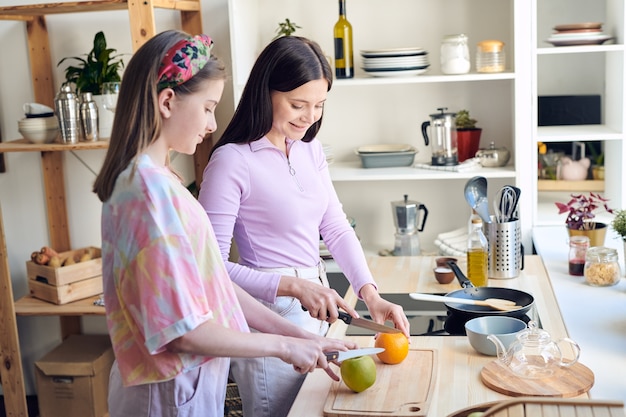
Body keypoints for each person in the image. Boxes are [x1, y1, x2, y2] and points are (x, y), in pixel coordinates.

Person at [92, 30, 356, 417]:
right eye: (207, 107)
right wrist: (283, 346)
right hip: (163, 397)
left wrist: (296, 334)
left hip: (189, 389)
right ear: (167, 101)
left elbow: (215, 286)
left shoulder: (162, 183)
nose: (213, 124)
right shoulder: (147, 195)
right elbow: (182, 332)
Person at [198, 35, 411, 417]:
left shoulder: (309, 148)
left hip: (320, 310)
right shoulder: (231, 161)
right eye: (298, 104)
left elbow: (336, 226)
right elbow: (209, 268)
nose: (309, 116)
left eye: (319, 105)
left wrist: (370, 293)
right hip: (269, 318)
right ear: (266, 92)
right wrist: (293, 286)